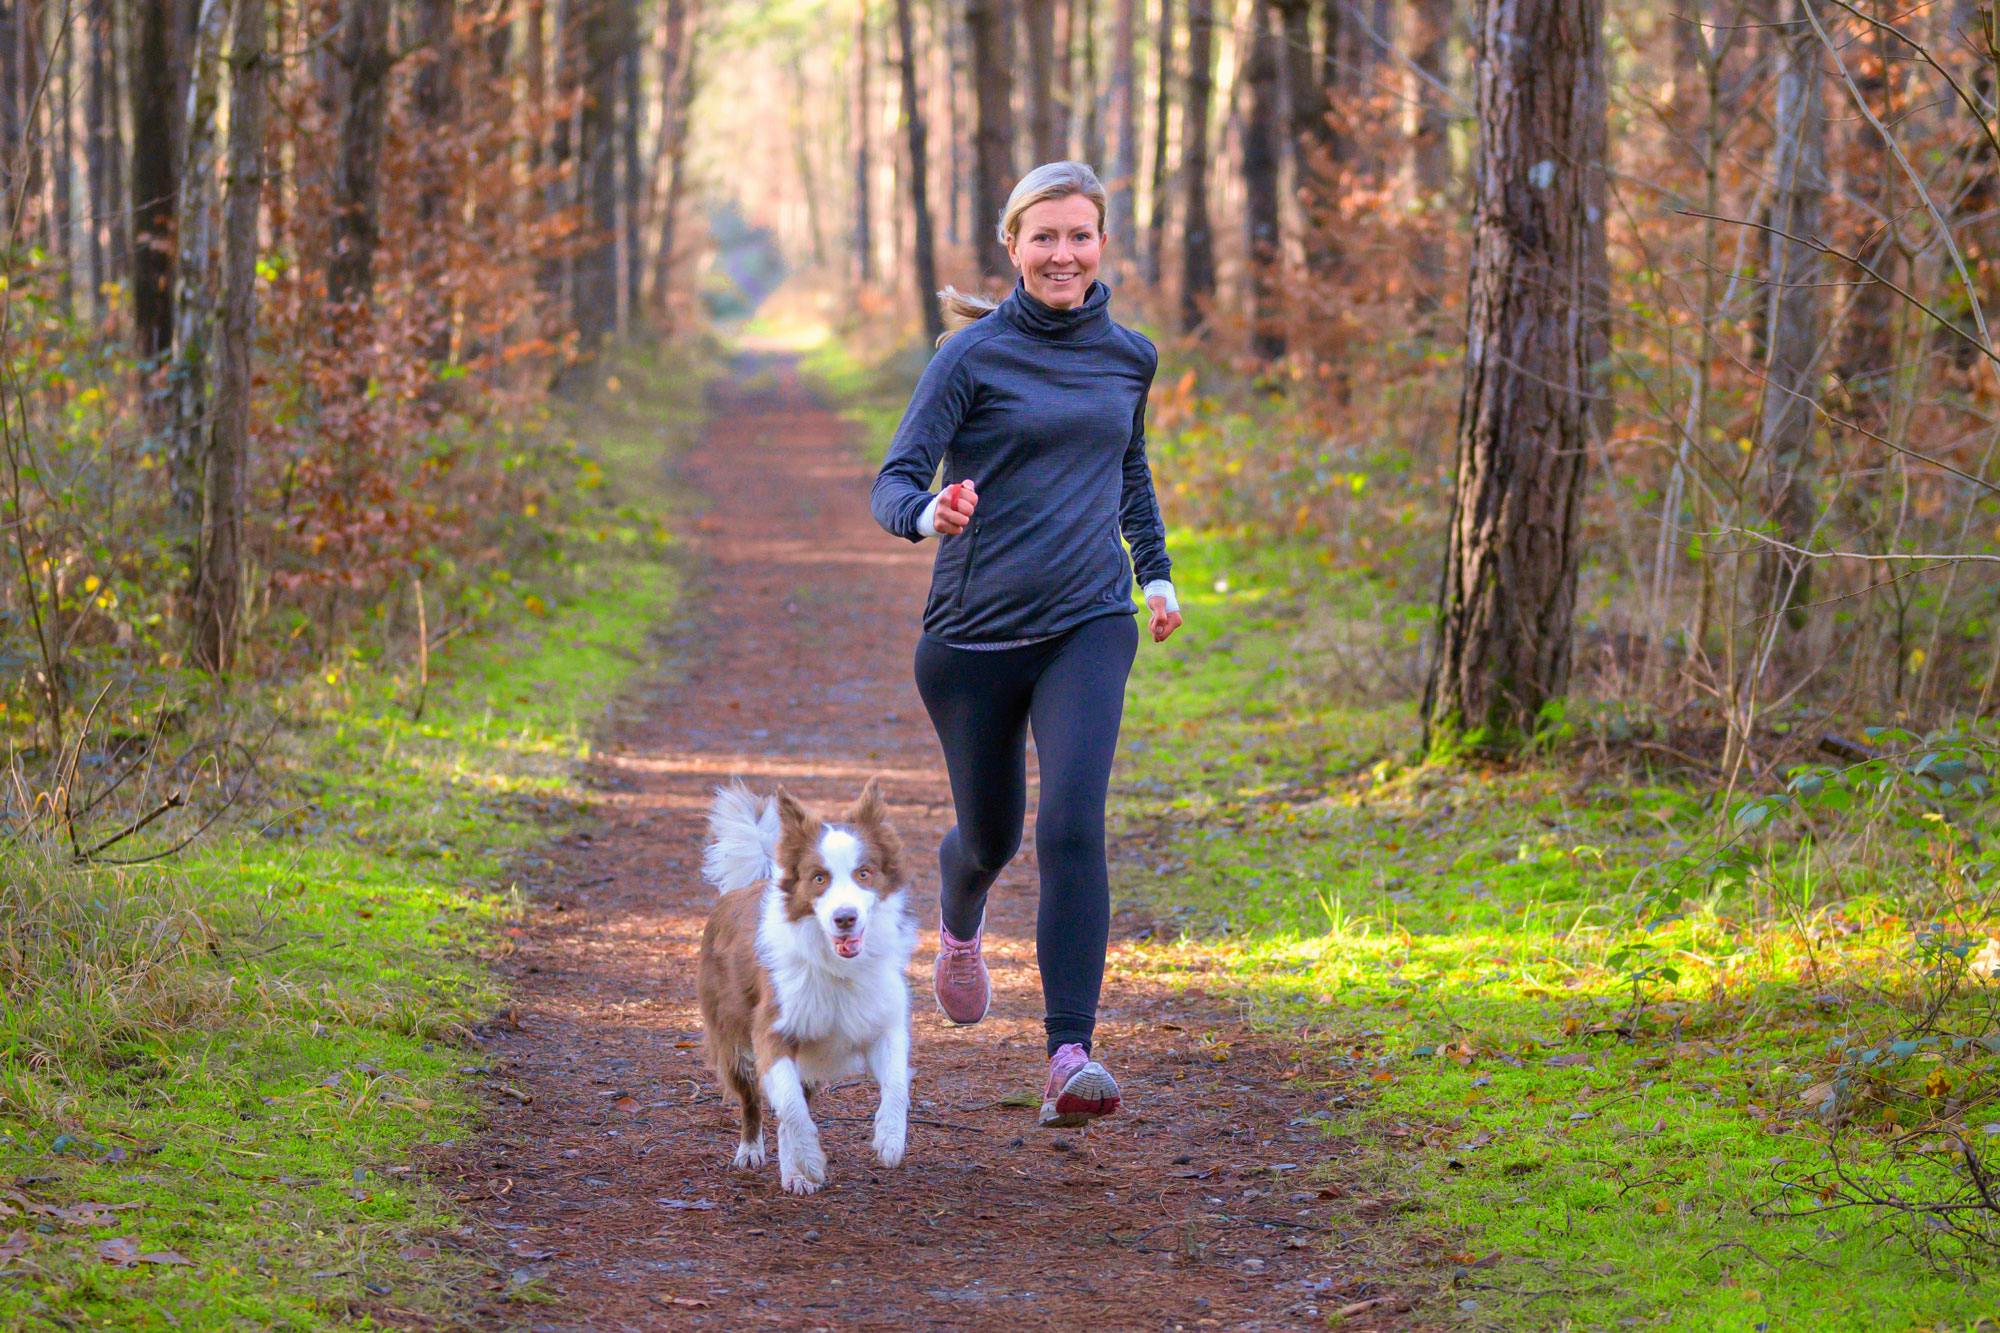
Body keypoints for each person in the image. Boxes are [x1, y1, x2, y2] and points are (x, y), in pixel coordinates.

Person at [869, 160, 1182, 1129]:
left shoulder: (1130, 356)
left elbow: (1128, 469)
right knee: (991, 836)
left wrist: (1154, 574)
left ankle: (1067, 1054)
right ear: (1012, 246)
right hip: (973, 639)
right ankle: (959, 920)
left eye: (1079, 235)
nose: (1062, 254)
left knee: (1071, 824)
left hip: (1090, 620)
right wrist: (928, 512)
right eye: (1043, 236)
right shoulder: (969, 358)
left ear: (1101, 244)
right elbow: (893, 480)